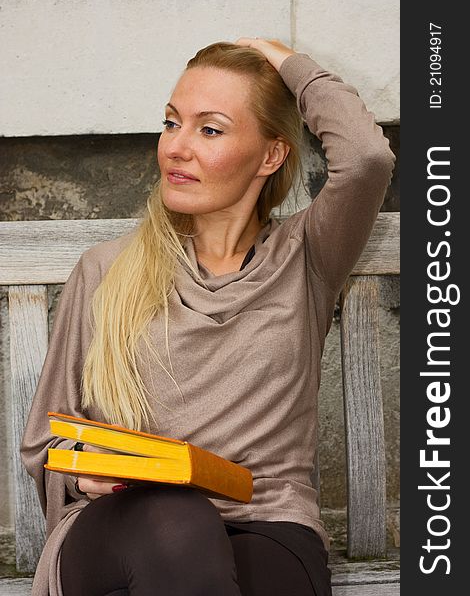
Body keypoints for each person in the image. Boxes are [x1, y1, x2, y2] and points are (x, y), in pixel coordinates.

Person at [20, 37, 395, 596]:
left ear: (271, 155)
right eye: (172, 123)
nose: (177, 148)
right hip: (127, 525)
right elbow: (48, 441)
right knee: (179, 521)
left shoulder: (306, 258)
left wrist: (284, 59)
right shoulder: (106, 270)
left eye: (210, 129)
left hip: (267, 522)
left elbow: (367, 158)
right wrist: (84, 469)